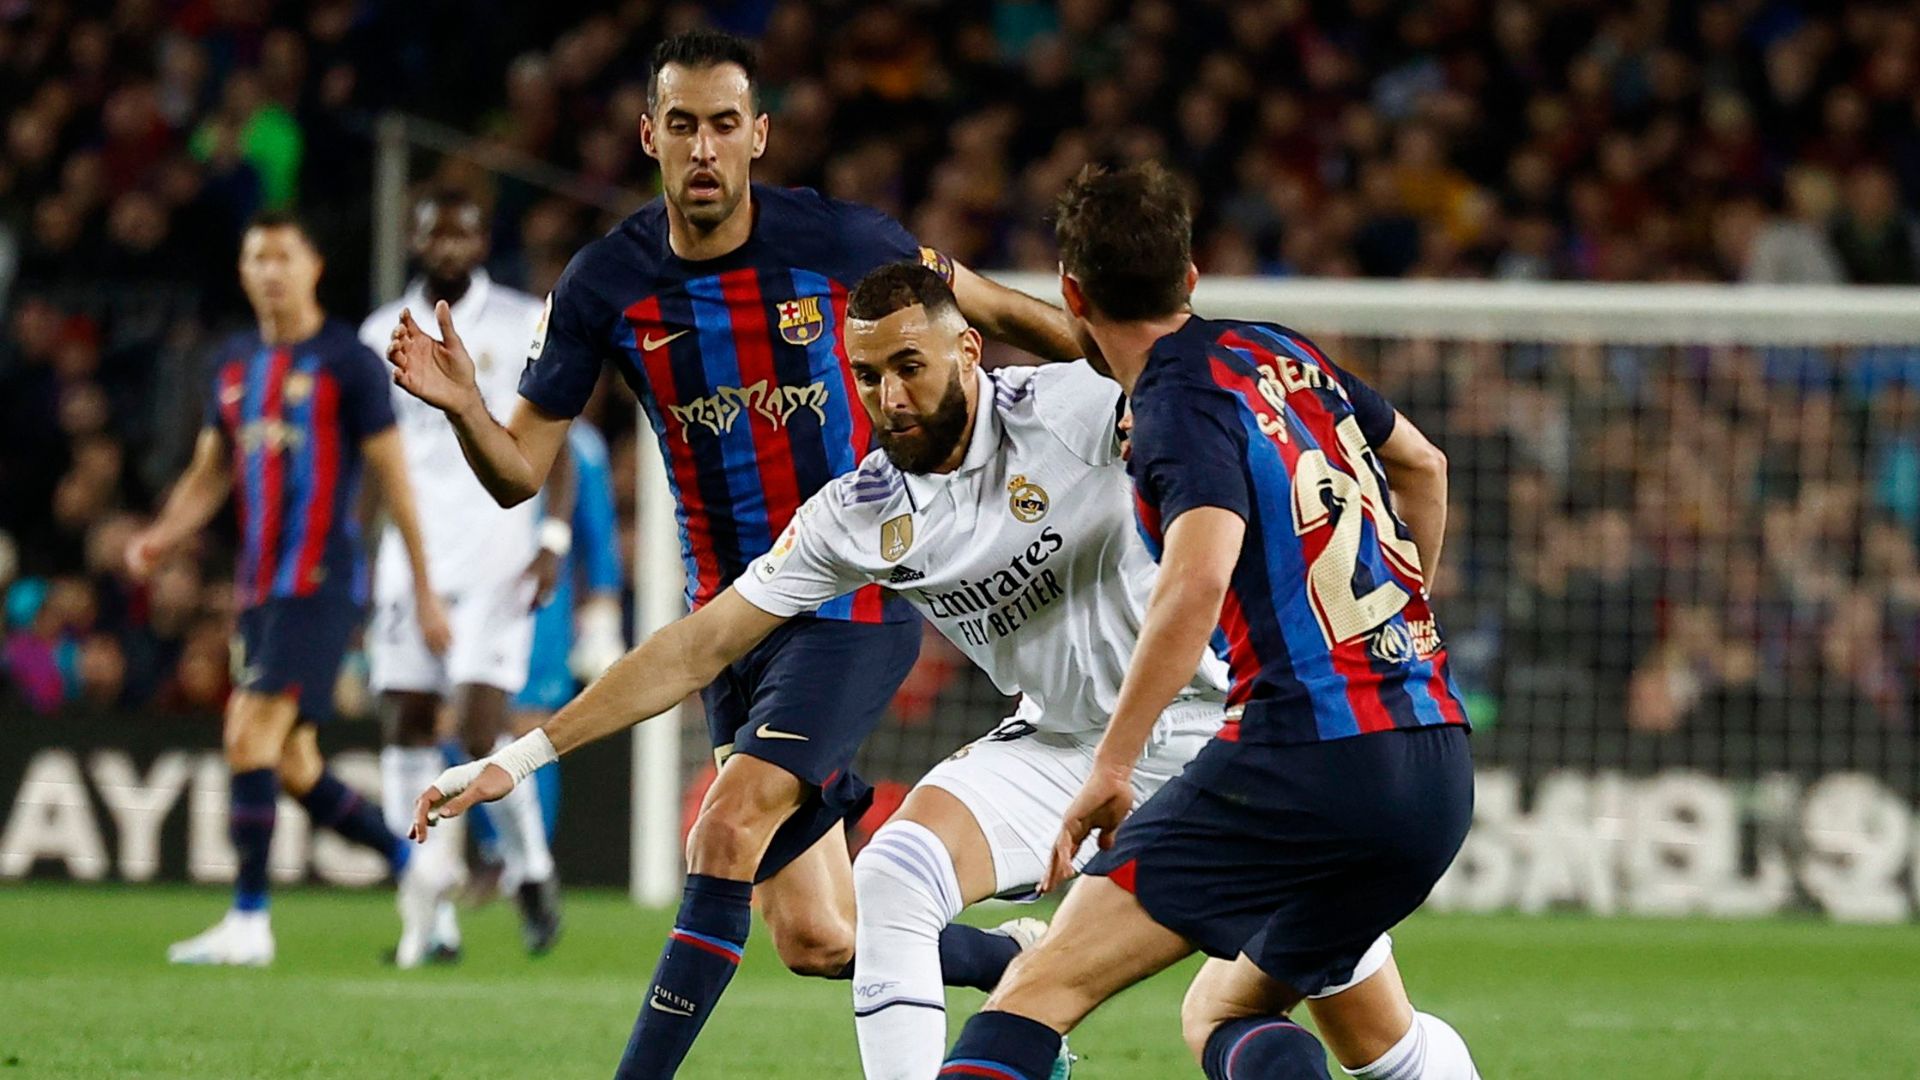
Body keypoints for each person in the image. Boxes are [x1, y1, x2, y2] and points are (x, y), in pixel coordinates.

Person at [384, 28, 1078, 1078]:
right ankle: (1013, 963)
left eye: (722, 126)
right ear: (648, 137)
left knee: (723, 827)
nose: (703, 149)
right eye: (681, 126)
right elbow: (519, 470)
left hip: (851, 598)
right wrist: (465, 410)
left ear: (757, 136)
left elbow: (996, 315)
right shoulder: (607, 284)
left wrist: (1138, 353)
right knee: (816, 938)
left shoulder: (845, 244)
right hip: (728, 624)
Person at [414, 262, 1240, 1080]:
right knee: (890, 879)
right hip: (1060, 745)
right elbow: (698, 646)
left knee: (1324, 1011)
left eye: (910, 368)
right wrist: (515, 759)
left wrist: (1375, 449)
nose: (889, 399)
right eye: (868, 376)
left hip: (1226, 728)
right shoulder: (859, 512)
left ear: (967, 353)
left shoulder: (1073, 407)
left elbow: (1186, 371)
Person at [938, 163, 1482, 1080]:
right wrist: (1394, 626)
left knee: (1037, 990)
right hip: (1435, 756)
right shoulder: (1280, 350)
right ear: (1190, 277)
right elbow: (1422, 465)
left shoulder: (1175, 404)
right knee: (1225, 1008)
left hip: (1305, 753)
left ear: (1071, 292)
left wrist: (1113, 765)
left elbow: (1195, 581)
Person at [127, 210, 445, 966]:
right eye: (256, 257)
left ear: (313, 268)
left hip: (321, 582)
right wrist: (164, 536)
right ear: (243, 272)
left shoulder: (347, 362)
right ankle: (420, 870)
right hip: (259, 592)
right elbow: (212, 471)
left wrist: (426, 590)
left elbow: (396, 481)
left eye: (283, 256)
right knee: (293, 764)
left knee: (248, 733)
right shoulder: (234, 364)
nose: (270, 270)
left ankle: (249, 919)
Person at [357, 186, 562, 966]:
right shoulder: (381, 333)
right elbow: (376, 466)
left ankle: (531, 870)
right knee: (406, 723)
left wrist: (553, 537)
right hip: (410, 561)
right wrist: (357, 558)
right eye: (434, 228)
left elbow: (554, 433)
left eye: (463, 228)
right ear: (413, 238)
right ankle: (429, 920)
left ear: (482, 242)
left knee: (478, 731)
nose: (447, 243)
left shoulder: (520, 322)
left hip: (500, 554)